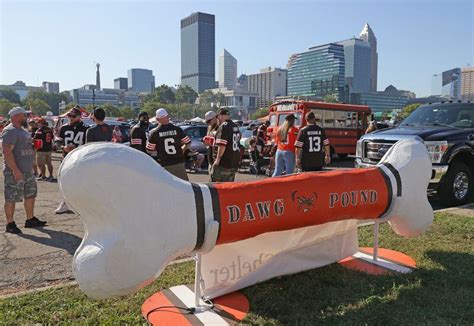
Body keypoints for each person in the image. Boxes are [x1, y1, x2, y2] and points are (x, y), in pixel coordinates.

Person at [2, 107, 47, 234]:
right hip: (15, 171)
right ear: (16, 116)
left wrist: (34, 146)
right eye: (24, 115)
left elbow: (23, 147)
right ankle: (10, 224)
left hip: (27, 170)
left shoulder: (22, 130)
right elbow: (6, 152)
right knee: (11, 197)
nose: (26, 118)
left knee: (30, 195)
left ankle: (30, 219)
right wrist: (15, 170)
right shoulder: (10, 131)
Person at [55, 107, 89, 214]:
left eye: (73, 116)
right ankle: (65, 202)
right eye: (69, 116)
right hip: (66, 159)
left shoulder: (86, 128)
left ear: (80, 117)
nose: (70, 118)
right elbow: (57, 143)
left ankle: (80, 204)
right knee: (64, 182)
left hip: (80, 160)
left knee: (80, 183)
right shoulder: (63, 128)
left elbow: (89, 145)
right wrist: (63, 148)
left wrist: (78, 148)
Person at [146, 108, 191, 180]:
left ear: (157, 119)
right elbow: (188, 142)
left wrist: (159, 150)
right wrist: (183, 149)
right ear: (168, 117)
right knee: (184, 187)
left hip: (165, 164)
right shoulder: (177, 129)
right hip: (178, 162)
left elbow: (149, 150)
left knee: (168, 187)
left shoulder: (155, 133)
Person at [210, 108, 241, 182]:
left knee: (216, 187)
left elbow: (222, 145)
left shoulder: (224, 126)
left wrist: (217, 160)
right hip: (233, 161)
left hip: (224, 163)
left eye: (218, 117)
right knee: (229, 187)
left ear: (220, 116)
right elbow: (240, 137)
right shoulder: (235, 125)